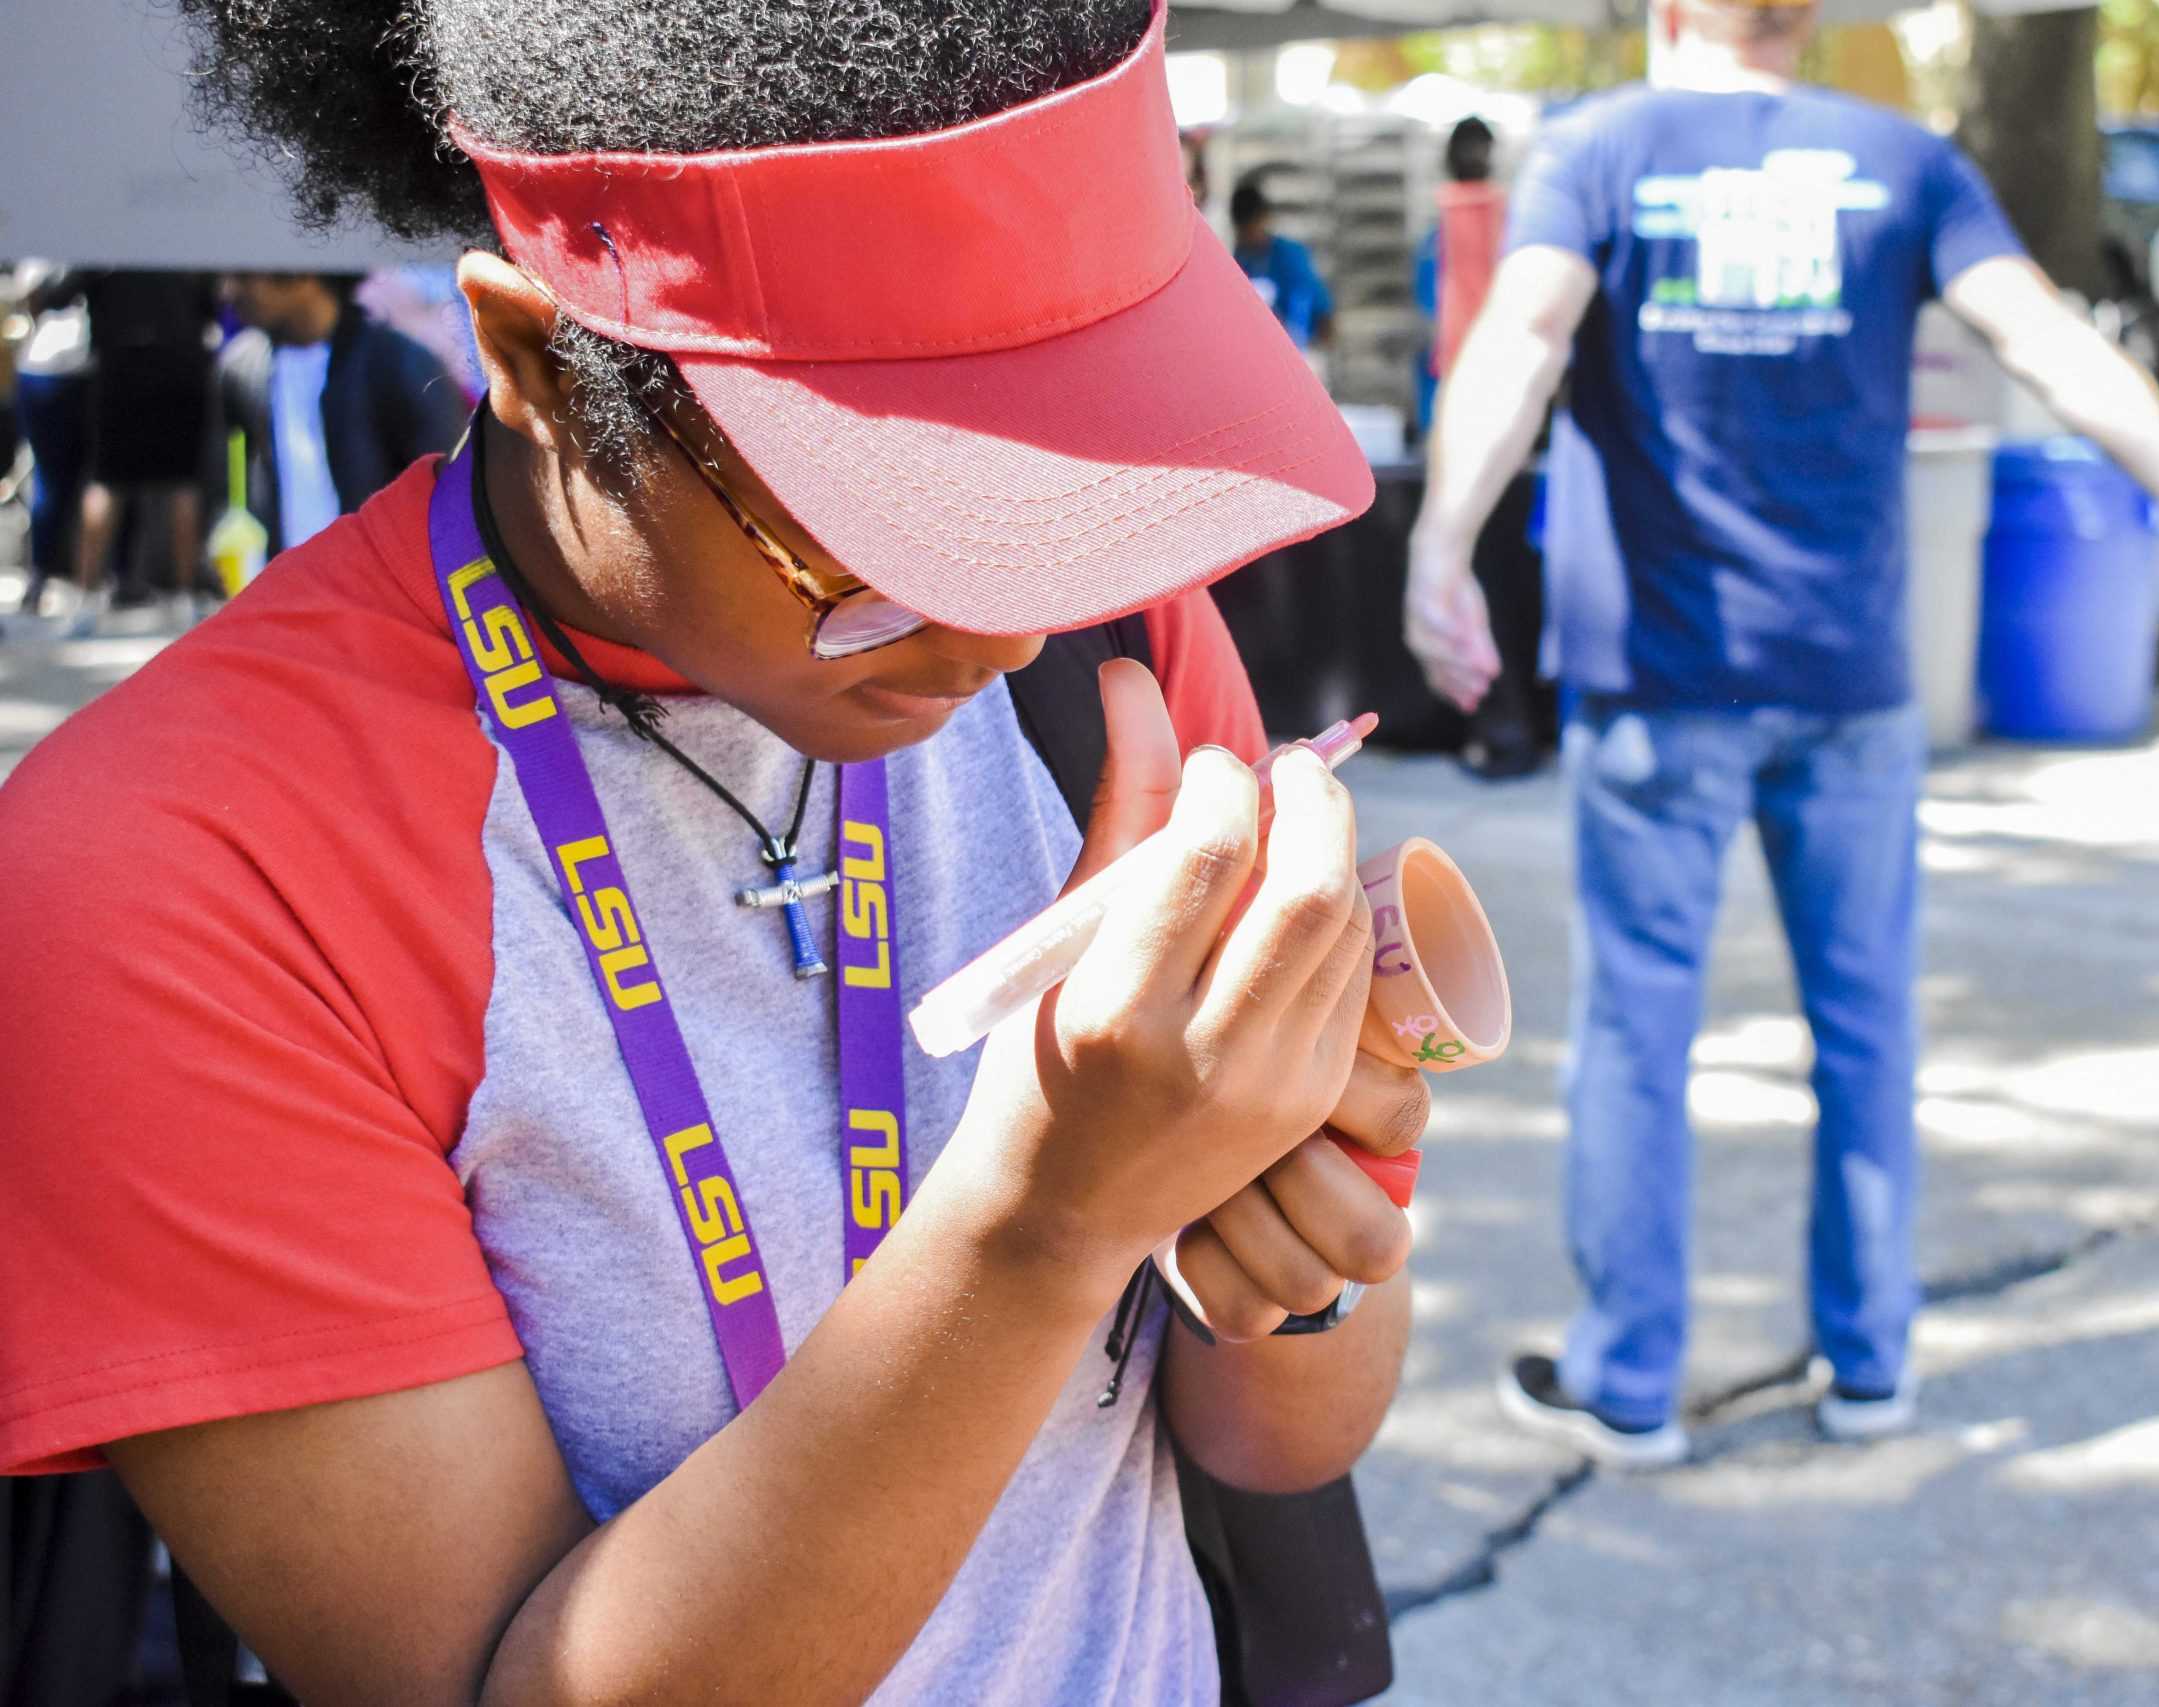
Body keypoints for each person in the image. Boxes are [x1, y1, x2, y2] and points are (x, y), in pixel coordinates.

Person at [0, 5, 1416, 1706]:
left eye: (1053, 493)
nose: (996, 631)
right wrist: (1048, 1218)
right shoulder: (177, 877)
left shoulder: (1101, 650)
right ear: (531, 360)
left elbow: (1278, 1442)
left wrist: (1300, 1206)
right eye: (876, 534)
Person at [1405, 0, 2159, 1466]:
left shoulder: (1603, 150)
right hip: (1849, 676)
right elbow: (2047, 344)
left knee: (1638, 1034)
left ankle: (1630, 1382)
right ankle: (1870, 1362)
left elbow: (1525, 339)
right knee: (1865, 1026)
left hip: (1664, 679)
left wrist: (1441, 541)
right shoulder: (1901, 160)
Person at [219, 271, 471, 552]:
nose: (229, 292)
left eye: (244, 276)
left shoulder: (397, 362)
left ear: (301, 277)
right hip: (288, 580)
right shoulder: (243, 368)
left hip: (377, 581)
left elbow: (449, 490)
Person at [60, 270, 220, 636]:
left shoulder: (110, 236)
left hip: (121, 364)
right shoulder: (188, 235)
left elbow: (62, 292)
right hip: (180, 362)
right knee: (181, 483)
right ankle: (184, 598)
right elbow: (212, 302)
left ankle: (86, 598)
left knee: (107, 481)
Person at [7, 265, 94, 619]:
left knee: (66, 482)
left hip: (65, 368)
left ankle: (57, 575)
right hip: (53, 370)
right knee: (55, 481)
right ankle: (44, 573)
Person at [1413, 116, 1505, 434]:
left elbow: (1426, 316)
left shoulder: (1437, 234)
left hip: (1457, 380)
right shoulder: (1513, 226)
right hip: (1499, 377)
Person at [1232, 175, 1335, 351]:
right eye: (1244, 230)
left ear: (1264, 219)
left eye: (1253, 227)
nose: (1250, 236)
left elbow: (1323, 311)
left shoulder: (1290, 255)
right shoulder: (1237, 261)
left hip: (1297, 349)